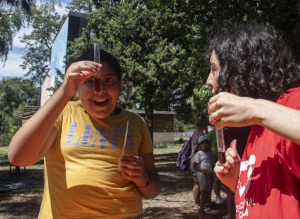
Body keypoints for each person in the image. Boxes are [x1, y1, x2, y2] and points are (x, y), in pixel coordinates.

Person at [207, 22, 300, 218]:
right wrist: (239, 182)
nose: (209, 80)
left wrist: (257, 108)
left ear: (240, 70)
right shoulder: (258, 127)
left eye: (214, 69)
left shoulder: (293, 102)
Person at [8, 49, 161, 218]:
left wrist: (141, 177)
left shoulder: (135, 123)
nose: (100, 90)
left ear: (120, 84)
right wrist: (64, 92)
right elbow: (18, 157)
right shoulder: (62, 112)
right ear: (76, 87)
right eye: (89, 81)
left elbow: (153, 191)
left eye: (108, 80)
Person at [189, 113, 209, 212]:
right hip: (197, 163)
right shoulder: (200, 134)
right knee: (200, 185)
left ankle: (198, 204)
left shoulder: (194, 132)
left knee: (197, 183)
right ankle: (199, 205)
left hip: (193, 161)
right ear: (204, 123)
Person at [193, 135, 214, 219]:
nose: (205, 145)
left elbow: (212, 164)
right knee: (203, 191)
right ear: (200, 145)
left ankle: (203, 211)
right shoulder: (199, 153)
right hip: (202, 174)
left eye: (206, 143)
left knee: (207, 192)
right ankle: (201, 212)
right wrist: (202, 170)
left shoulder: (209, 153)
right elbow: (194, 166)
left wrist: (211, 170)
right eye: (202, 143)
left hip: (209, 174)